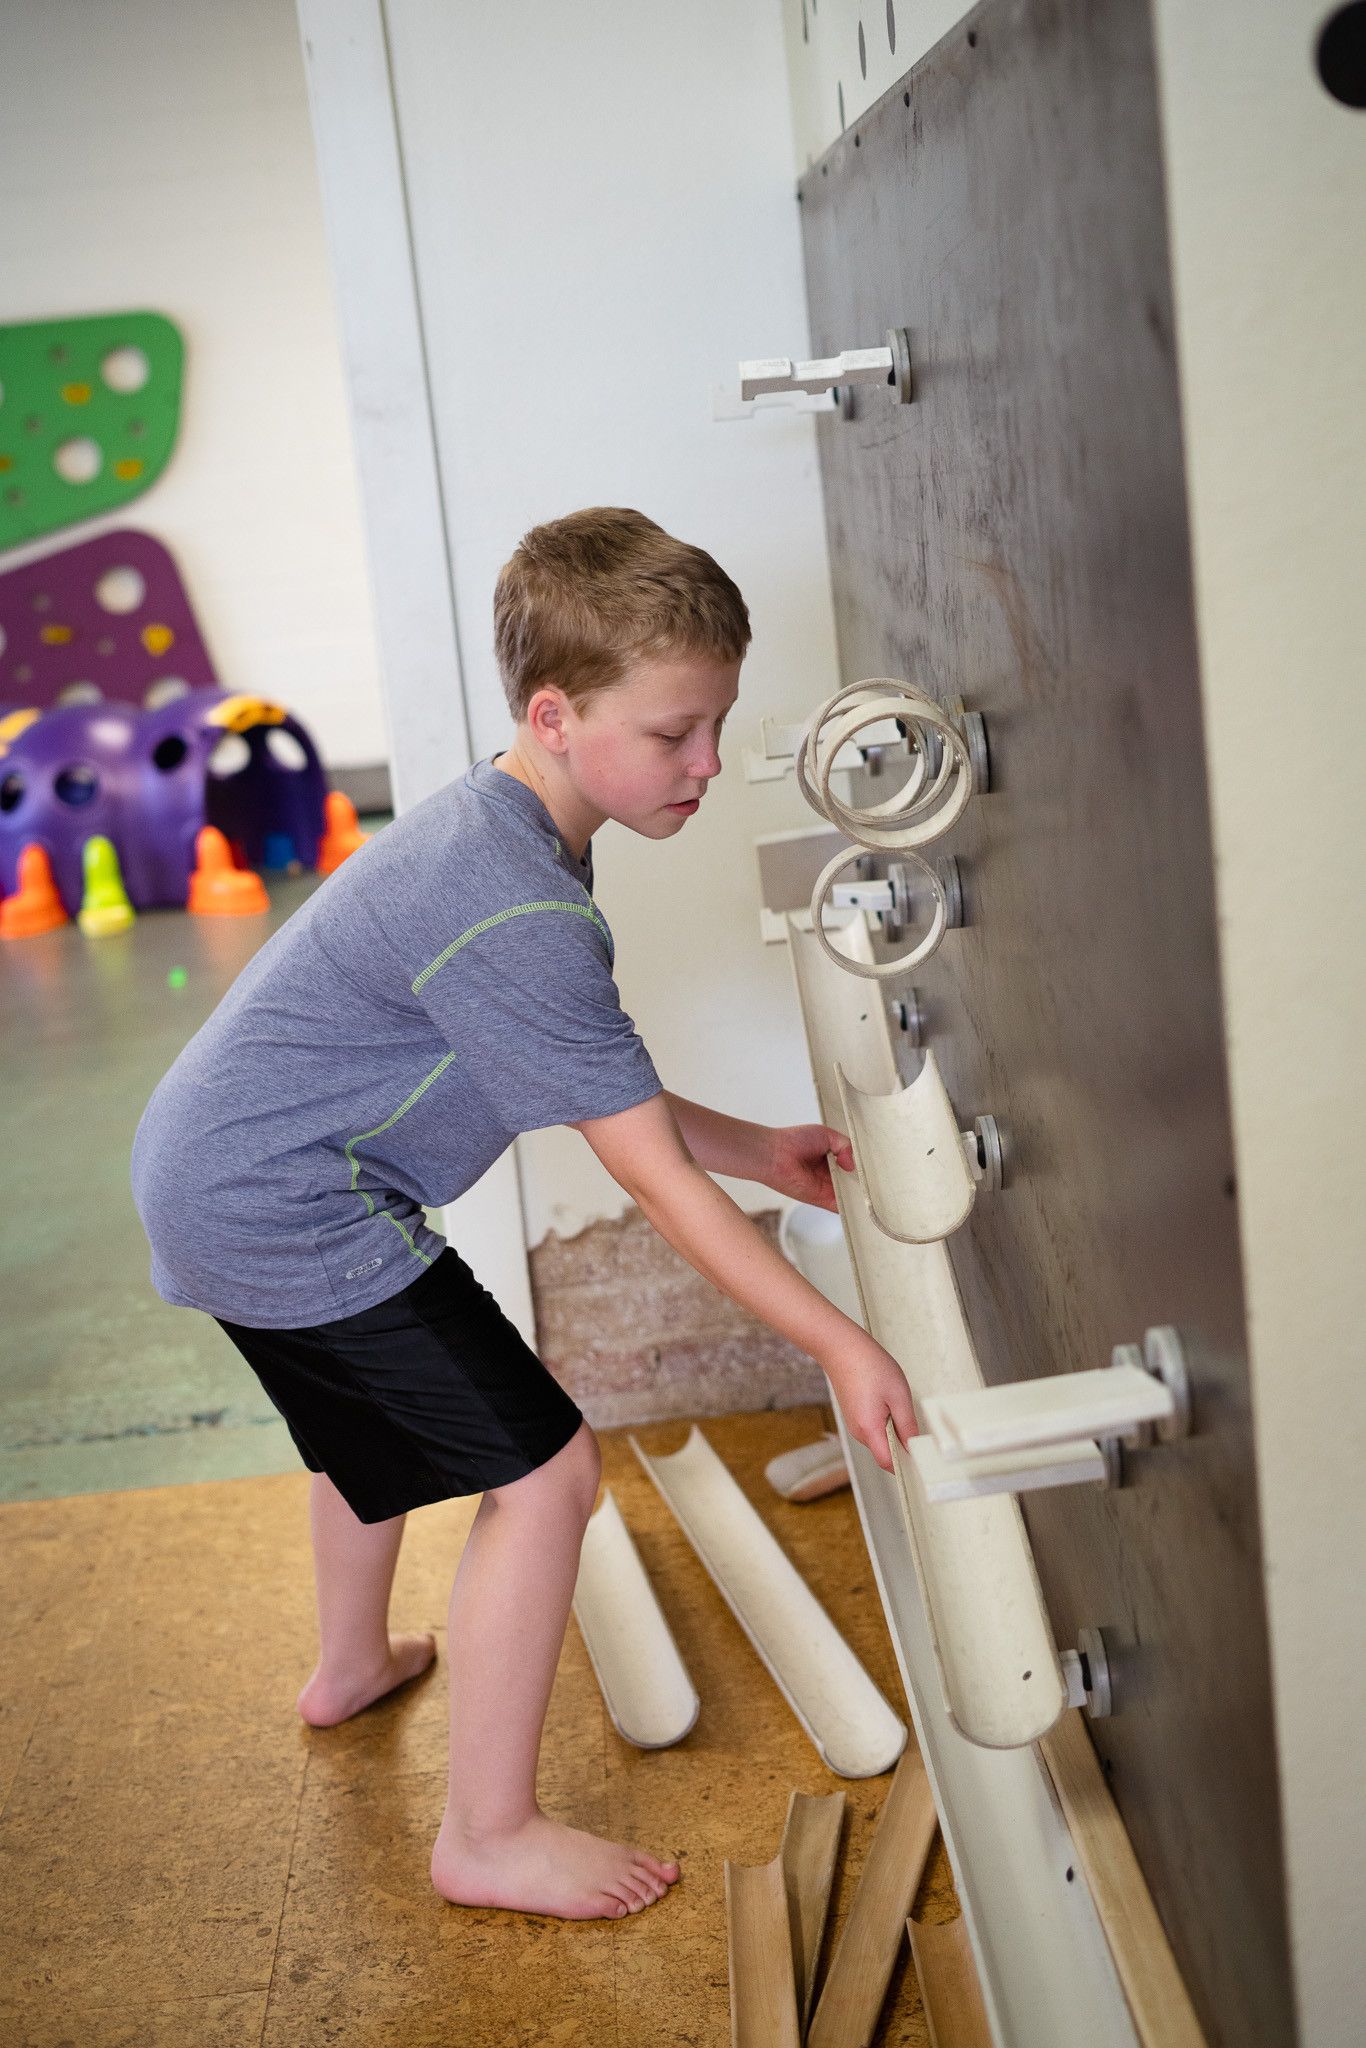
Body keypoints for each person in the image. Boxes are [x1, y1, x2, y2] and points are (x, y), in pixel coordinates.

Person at [130, 506, 918, 1923]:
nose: (706, 763)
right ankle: (485, 1835)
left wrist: (759, 1150)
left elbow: (597, 1089)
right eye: (674, 732)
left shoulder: (513, 827)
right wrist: (840, 1348)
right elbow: (649, 1179)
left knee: (357, 1420)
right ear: (552, 714)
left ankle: (349, 1666)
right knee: (548, 1474)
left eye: (717, 722)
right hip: (285, 1204)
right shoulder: (519, 908)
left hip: (225, 1170)